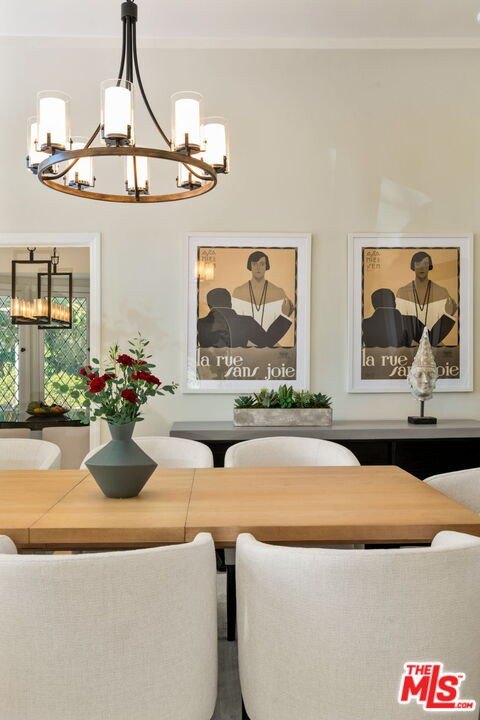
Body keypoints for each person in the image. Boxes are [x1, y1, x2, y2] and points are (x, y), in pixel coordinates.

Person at [395, 251, 457, 346]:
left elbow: (438, 334)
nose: (422, 267)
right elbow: (402, 326)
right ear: (413, 266)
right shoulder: (402, 292)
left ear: (429, 266)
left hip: (435, 347)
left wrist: (449, 315)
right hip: (410, 347)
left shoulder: (441, 292)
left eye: (425, 264)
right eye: (418, 264)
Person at [197, 288, 294, 348]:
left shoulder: (199, 324)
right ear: (230, 304)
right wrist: (284, 316)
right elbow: (267, 341)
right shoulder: (246, 322)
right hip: (240, 371)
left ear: (209, 306)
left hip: (207, 373)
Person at [231, 251, 293, 333]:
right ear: (250, 266)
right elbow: (236, 324)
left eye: (262, 264)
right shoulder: (238, 292)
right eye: (254, 264)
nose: (258, 268)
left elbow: (285, 318)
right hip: (246, 340)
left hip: (272, 338)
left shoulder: (279, 292)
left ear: (266, 266)